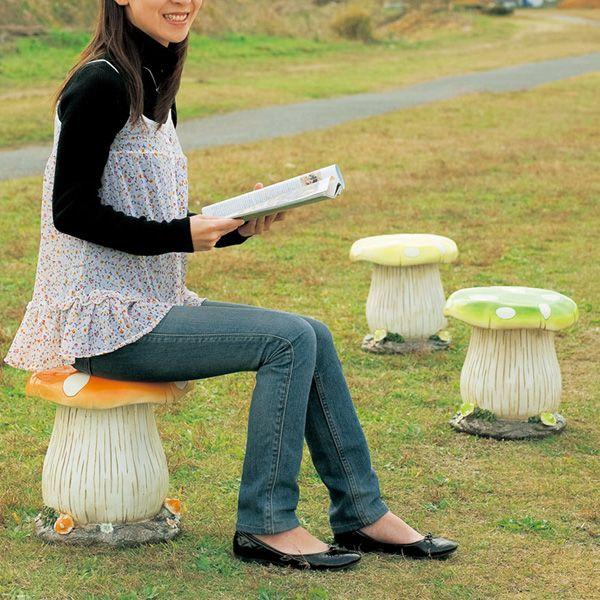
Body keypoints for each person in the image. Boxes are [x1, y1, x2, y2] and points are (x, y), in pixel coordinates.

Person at [3, 0, 458, 571]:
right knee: (288, 340)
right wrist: (182, 232)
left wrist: (236, 226)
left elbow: (145, 212)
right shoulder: (100, 83)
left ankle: (362, 514)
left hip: (148, 305)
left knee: (313, 334)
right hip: (102, 322)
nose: (182, 2)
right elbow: (71, 212)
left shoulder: (152, 84)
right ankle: (267, 524)